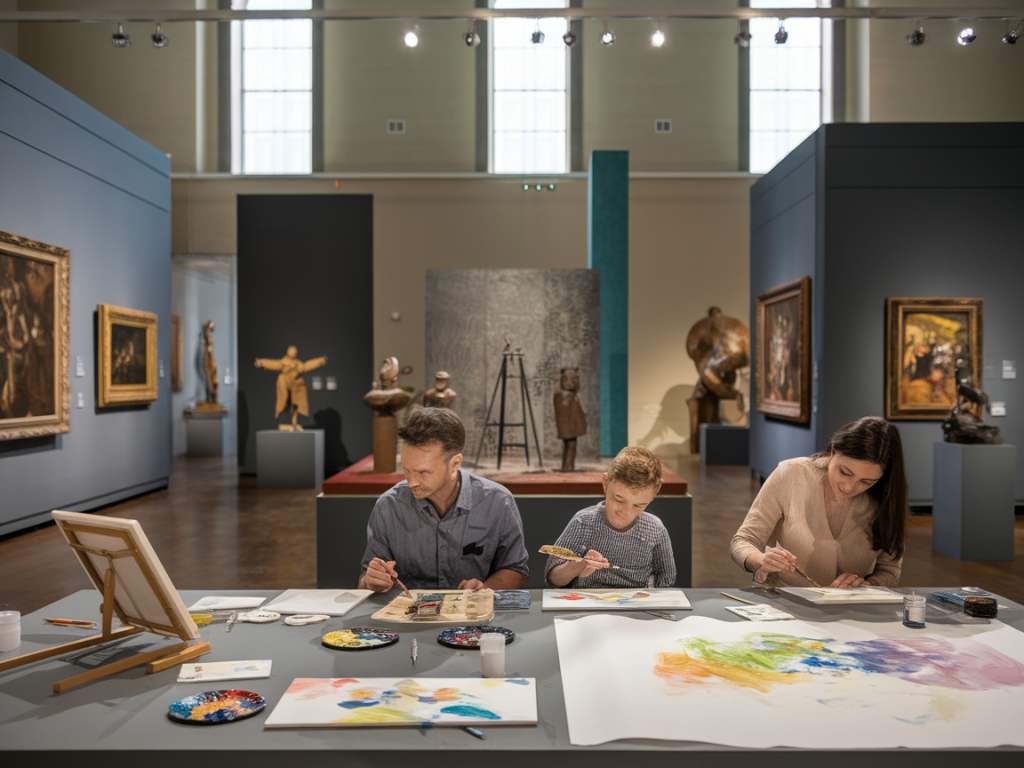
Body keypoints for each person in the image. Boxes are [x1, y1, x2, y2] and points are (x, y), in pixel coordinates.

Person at [358, 407, 529, 592]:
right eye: (406, 470)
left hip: (471, 610)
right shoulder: (388, 506)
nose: (411, 482)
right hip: (406, 610)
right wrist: (371, 581)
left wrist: (483, 589)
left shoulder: (497, 501)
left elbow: (516, 568)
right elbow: (365, 582)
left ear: (455, 463)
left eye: (423, 472)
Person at [730, 416, 908, 588]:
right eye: (845, 472)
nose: (848, 487)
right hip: (782, 600)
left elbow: (890, 571)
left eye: (866, 482)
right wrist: (760, 560)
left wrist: (868, 584)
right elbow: (743, 541)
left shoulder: (885, 500)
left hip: (848, 606)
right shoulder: (791, 474)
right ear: (833, 450)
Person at [545, 446, 676, 589]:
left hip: (636, 601)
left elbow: (667, 578)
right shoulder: (583, 522)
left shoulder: (655, 529)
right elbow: (553, 578)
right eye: (619, 500)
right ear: (605, 483)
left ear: (651, 499)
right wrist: (578, 566)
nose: (626, 512)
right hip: (588, 600)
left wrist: (653, 593)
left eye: (638, 505)